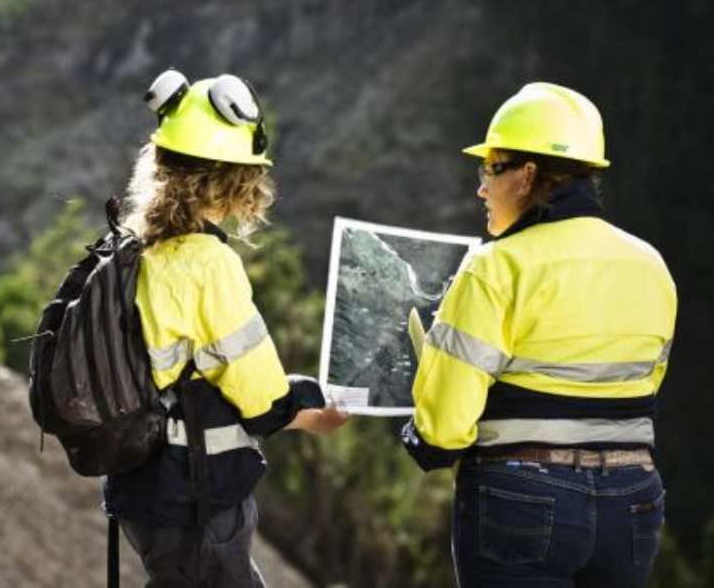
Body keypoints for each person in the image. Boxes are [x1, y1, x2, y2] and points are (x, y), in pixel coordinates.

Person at [401, 82, 676, 587]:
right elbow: (647, 383)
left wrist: (421, 434)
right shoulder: (651, 265)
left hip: (522, 498)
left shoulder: (495, 267)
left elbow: (444, 428)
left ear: (527, 175)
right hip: (633, 498)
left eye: (491, 169)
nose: (482, 187)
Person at [103, 68, 349, 587]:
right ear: (232, 179)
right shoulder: (207, 263)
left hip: (139, 488)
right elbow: (258, 394)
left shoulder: (130, 246)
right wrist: (310, 413)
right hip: (193, 492)